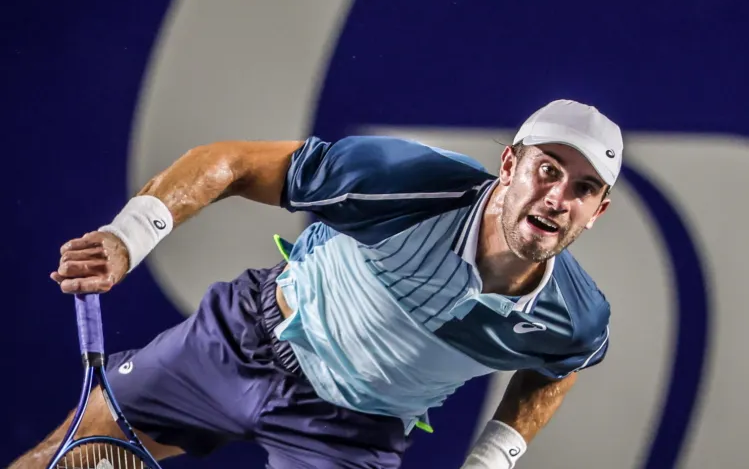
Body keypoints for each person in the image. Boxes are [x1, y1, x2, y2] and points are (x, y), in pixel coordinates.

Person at [13, 99, 621, 469]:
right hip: (239, 341)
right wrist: (128, 237)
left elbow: (561, 365)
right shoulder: (406, 184)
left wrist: (492, 458)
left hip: (352, 433)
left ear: (599, 212)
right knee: (63, 460)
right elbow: (234, 163)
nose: (557, 198)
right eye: (546, 170)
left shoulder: (574, 315)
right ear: (509, 166)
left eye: (583, 189)